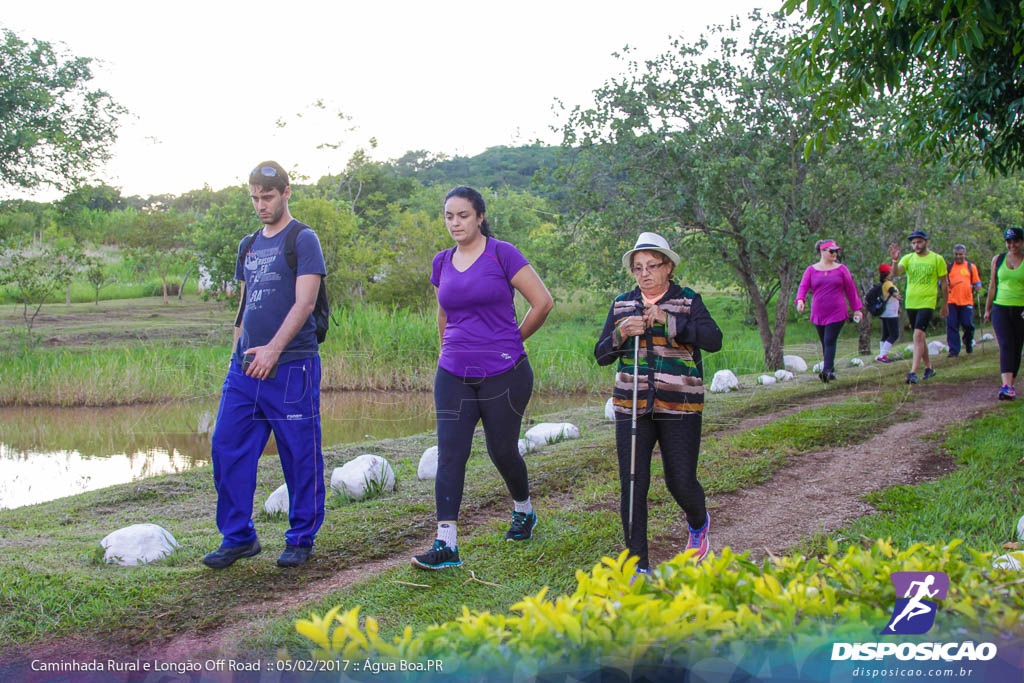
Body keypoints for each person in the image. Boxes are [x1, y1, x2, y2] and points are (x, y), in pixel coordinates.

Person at [412, 186, 554, 570]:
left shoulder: (501, 253)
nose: (455, 223)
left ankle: (524, 510)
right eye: (449, 216)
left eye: (462, 215)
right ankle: (446, 543)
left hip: (505, 373)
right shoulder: (442, 261)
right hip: (453, 373)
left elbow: (543, 303)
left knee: (502, 451)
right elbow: (444, 313)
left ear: (479, 217)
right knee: (451, 453)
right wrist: (446, 352)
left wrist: (513, 339)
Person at [203, 161, 327, 569]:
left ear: (286, 192)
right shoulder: (248, 245)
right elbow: (244, 305)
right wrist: (235, 354)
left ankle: (300, 538)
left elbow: (305, 303)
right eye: (255, 197)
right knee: (226, 448)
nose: (261, 204)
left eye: (268, 196)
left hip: (291, 365)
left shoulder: (302, 239)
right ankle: (238, 537)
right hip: (245, 368)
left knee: (299, 454)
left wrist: (274, 349)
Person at [594, 232, 722, 577]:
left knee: (680, 481)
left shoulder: (688, 301)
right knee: (633, 482)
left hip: (680, 405)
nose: (644, 274)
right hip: (631, 405)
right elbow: (602, 355)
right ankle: (639, 567)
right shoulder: (622, 305)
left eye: (652, 266)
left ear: (668, 267)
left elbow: (713, 340)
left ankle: (699, 523)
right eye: (638, 268)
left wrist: (671, 323)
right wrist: (621, 334)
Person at [795, 240, 863, 382]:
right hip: (819, 312)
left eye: (836, 251)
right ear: (822, 251)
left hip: (837, 312)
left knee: (829, 339)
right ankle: (831, 370)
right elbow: (803, 286)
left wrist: (857, 309)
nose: (835, 254)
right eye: (831, 251)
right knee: (825, 342)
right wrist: (800, 300)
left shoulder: (841, 269)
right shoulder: (811, 270)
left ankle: (826, 371)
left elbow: (851, 290)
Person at [888, 230, 949, 384]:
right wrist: (894, 261)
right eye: (914, 243)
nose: (916, 245)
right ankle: (929, 367)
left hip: (928, 302)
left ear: (926, 242)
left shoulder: (937, 259)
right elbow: (895, 273)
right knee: (920, 337)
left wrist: (945, 305)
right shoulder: (908, 258)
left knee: (917, 336)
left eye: (919, 242)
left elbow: (945, 284)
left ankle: (913, 372)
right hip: (911, 302)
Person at [983, 227, 1024, 400]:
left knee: (1016, 346)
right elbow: (993, 285)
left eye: (1015, 241)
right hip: (1000, 306)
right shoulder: (998, 259)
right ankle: (1006, 385)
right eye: (1008, 241)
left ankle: (1011, 384)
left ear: (1021, 242)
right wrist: (988, 309)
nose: (1012, 245)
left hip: (1020, 309)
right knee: (1006, 344)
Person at [945, 244, 982, 357]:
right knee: (952, 325)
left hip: (967, 301)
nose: (958, 256)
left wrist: (978, 286)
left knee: (968, 325)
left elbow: (977, 281)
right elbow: (942, 282)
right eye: (956, 254)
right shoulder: (949, 267)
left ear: (965, 254)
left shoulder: (971, 267)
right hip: (952, 301)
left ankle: (967, 341)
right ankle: (954, 351)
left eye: (960, 254)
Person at [875, 263, 901, 363]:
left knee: (885, 335)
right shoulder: (888, 283)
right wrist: (896, 295)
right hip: (891, 313)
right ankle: (882, 355)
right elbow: (892, 291)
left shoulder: (882, 284)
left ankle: (881, 355)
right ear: (887, 274)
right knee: (894, 334)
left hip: (884, 313)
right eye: (890, 271)